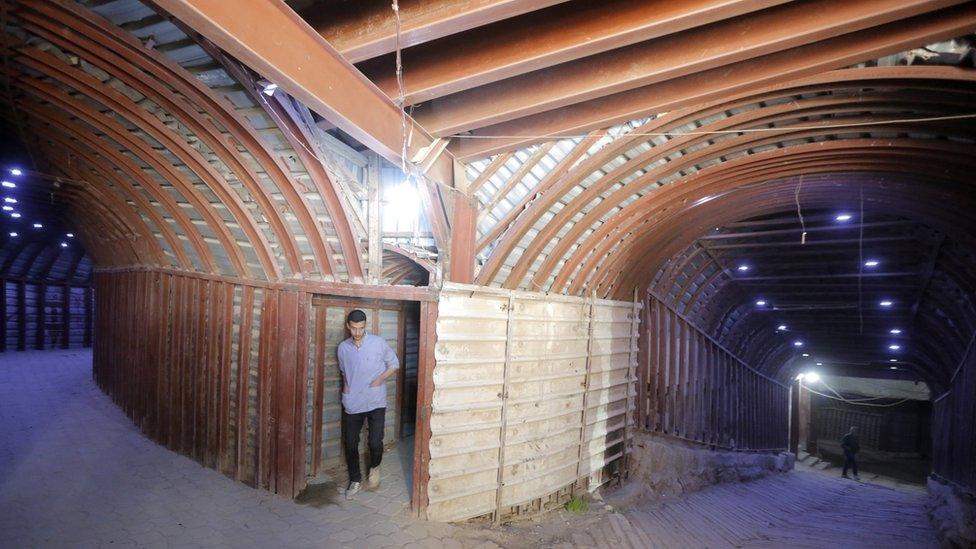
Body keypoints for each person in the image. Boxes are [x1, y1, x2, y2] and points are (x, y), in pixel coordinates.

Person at [337, 309, 399, 499]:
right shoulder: (343, 348)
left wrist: (380, 380)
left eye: (361, 328)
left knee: (374, 441)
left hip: (375, 400)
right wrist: (347, 387)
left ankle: (374, 468)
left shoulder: (378, 343)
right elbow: (344, 371)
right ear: (348, 326)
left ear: (366, 326)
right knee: (350, 442)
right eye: (354, 328)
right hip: (353, 401)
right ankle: (355, 480)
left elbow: (394, 364)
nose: (357, 332)